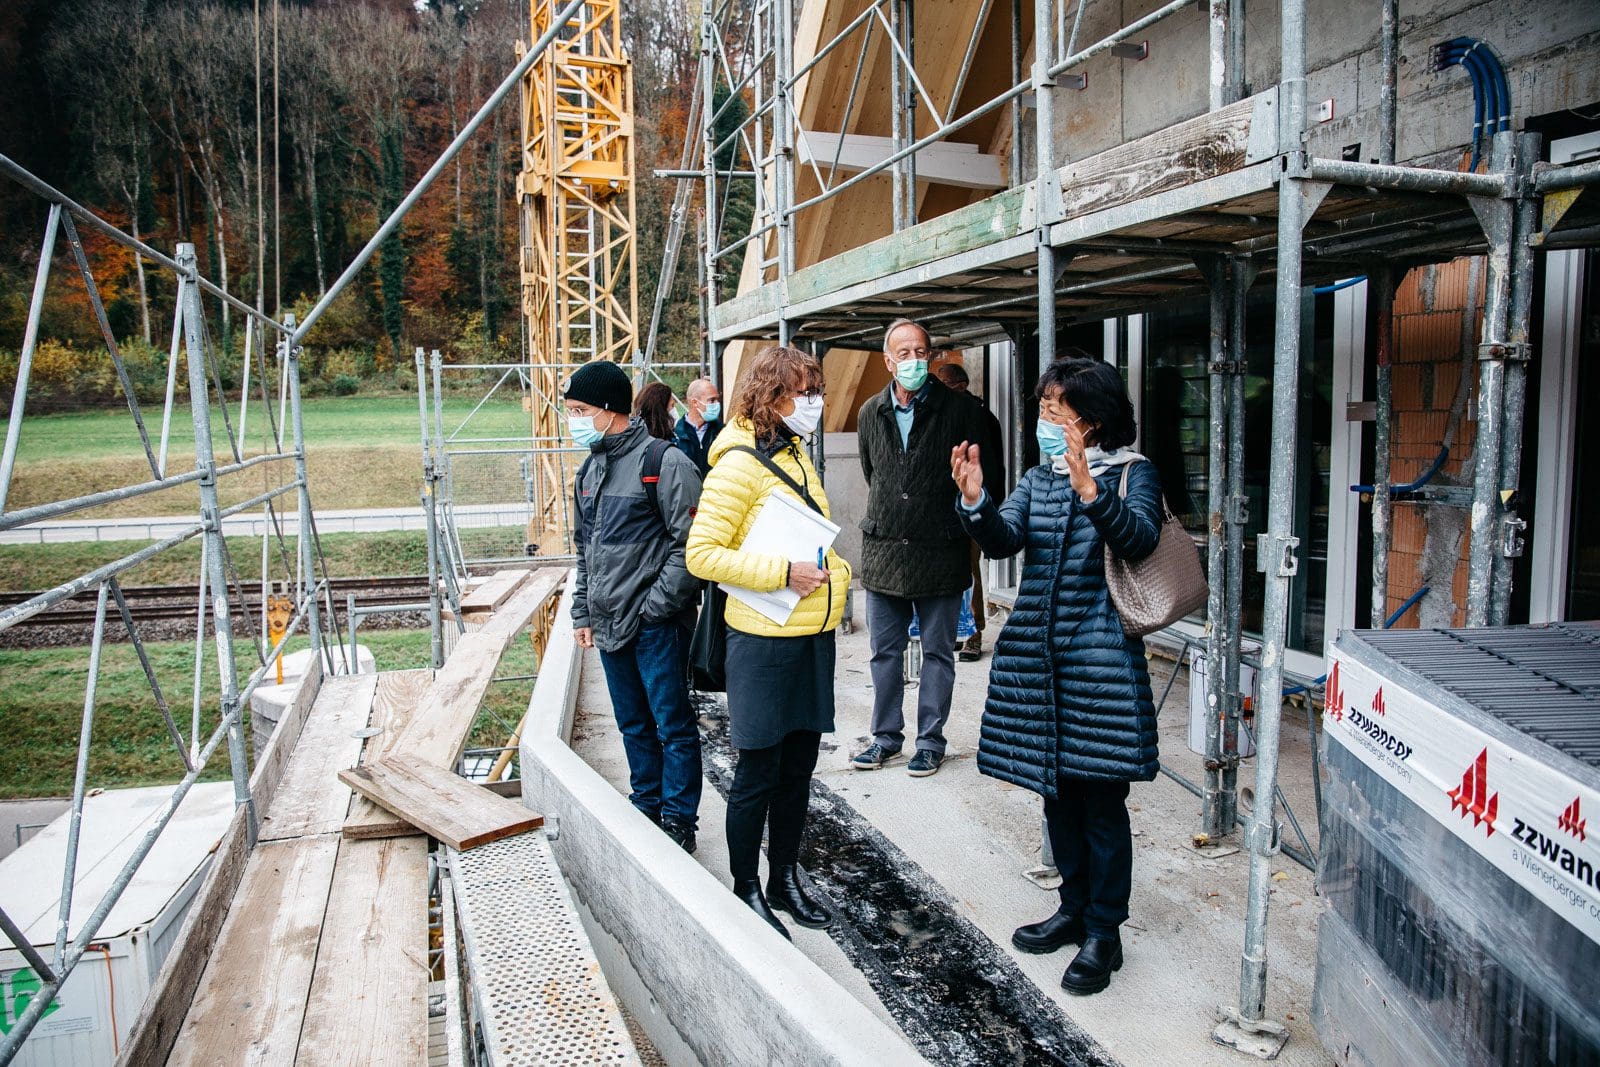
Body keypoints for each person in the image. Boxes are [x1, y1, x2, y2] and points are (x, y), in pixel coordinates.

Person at [949, 356, 1163, 997]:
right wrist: (976, 501)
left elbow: (1139, 542)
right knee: (1056, 792)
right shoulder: (1040, 480)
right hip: (1038, 661)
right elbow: (1004, 541)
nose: (1043, 419)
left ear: (1092, 421)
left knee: (1102, 801)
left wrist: (1091, 492)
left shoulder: (1133, 474)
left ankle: (1105, 932)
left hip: (1101, 663)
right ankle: (1072, 908)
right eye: (1041, 407)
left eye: (1054, 409)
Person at [686, 344, 851, 940]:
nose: (814, 403)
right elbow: (702, 555)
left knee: (799, 768)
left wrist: (836, 574)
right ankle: (745, 886)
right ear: (771, 395)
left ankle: (783, 876)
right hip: (762, 642)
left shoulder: (796, 452)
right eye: (804, 393)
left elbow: (814, 541)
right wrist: (783, 575)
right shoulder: (735, 464)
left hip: (810, 636)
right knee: (759, 769)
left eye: (817, 392)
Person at [565, 360, 704, 853]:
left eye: (580, 411)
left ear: (607, 408)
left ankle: (679, 818)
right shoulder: (589, 468)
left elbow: (692, 546)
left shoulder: (663, 462)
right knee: (632, 723)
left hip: (653, 624)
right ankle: (645, 803)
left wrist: (654, 608)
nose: (574, 421)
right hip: (608, 623)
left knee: (672, 725)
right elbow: (585, 551)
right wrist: (583, 613)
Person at [851, 319, 999, 778]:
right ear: (887, 360)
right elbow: (872, 472)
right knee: (884, 652)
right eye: (904, 352)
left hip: (941, 548)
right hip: (884, 552)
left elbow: (982, 475)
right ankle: (885, 738)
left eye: (921, 352)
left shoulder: (960, 411)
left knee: (938, 652)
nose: (913, 360)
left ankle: (930, 741)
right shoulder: (870, 412)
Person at [934, 361, 1006, 662]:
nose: (938, 390)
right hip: (944, 506)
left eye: (945, 383)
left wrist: (985, 506)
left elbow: (990, 464)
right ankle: (959, 631)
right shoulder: (947, 413)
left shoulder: (976, 416)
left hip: (972, 504)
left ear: (961, 385)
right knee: (950, 570)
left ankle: (974, 633)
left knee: (969, 569)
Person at [673, 377, 724, 475]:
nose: (717, 404)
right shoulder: (675, 436)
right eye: (712, 400)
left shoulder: (723, 432)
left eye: (717, 399)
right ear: (695, 402)